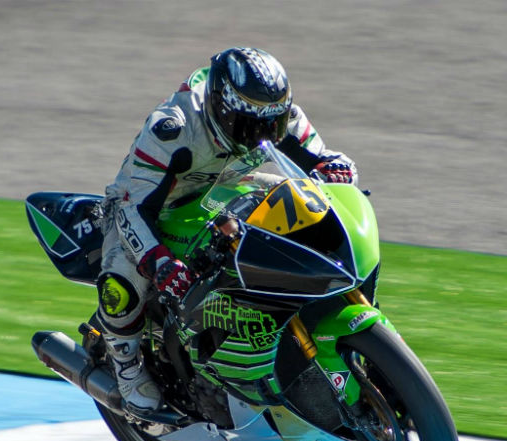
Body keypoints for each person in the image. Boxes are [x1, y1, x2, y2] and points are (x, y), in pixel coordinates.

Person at [97, 47, 358, 415]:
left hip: (229, 187)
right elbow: (132, 206)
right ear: (220, 108)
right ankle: (125, 365)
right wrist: (160, 264)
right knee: (122, 282)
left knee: (306, 206)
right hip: (152, 207)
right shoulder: (173, 129)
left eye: (271, 125)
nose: (261, 134)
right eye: (249, 125)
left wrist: (337, 169)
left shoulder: (276, 113)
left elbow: (322, 160)